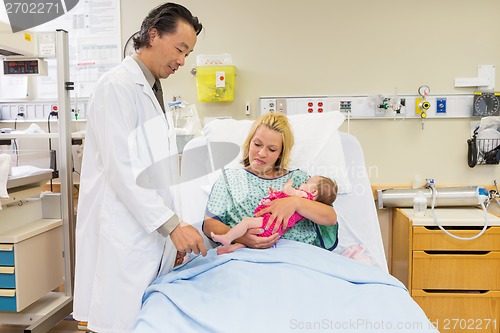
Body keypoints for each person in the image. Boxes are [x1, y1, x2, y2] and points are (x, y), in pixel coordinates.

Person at [73, 3, 207, 332]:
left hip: (145, 233)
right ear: (152, 35)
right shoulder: (116, 86)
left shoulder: (151, 89)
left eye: (188, 53)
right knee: (116, 321)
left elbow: (157, 172)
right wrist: (172, 226)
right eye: (179, 49)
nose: (182, 61)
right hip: (122, 232)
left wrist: (171, 231)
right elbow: (123, 169)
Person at [203, 113, 338, 252]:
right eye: (257, 144)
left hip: (300, 256)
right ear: (249, 142)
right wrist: (241, 237)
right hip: (247, 256)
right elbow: (209, 224)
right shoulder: (230, 180)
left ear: (281, 153)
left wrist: (296, 203)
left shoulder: (300, 180)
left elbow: (330, 217)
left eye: (272, 149)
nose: (262, 153)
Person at [211, 175, 338, 254]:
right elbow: (283, 197)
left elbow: (287, 191)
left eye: (306, 182)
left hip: (269, 224)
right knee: (250, 238)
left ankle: (228, 238)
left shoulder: (304, 196)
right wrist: (274, 194)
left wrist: (289, 184)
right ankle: (233, 248)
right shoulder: (307, 201)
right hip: (273, 232)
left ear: (314, 191)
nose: (302, 183)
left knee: (247, 222)